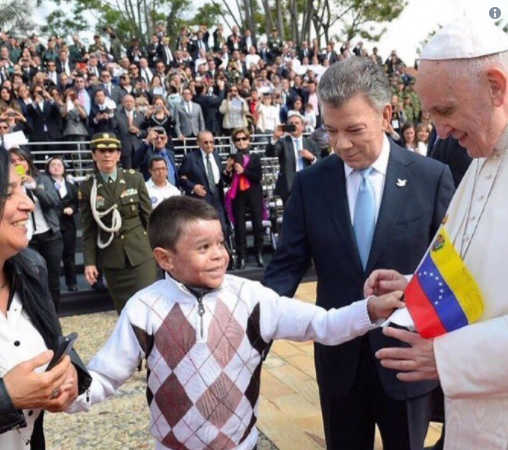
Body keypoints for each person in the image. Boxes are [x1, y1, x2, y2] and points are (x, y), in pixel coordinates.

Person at [67, 195, 406, 450]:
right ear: (165, 259)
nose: (219, 254)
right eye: (203, 247)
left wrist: (370, 310)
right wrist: (70, 392)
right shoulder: (145, 308)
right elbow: (106, 375)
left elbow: (323, 325)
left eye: (220, 243)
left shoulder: (251, 297)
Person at [262, 57, 455, 450]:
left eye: (354, 130)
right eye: (331, 131)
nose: (341, 144)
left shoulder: (430, 178)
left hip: (407, 360)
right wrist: (249, 328)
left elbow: (449, 270)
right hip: (339, 365)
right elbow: (285, 267)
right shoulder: (311, 183)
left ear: (385, 115)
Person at [368, 17, 508, 450]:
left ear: (496, 86)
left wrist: (446, 357)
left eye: (446, 111)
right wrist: (415, 287)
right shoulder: (481, 158)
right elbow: (474, 274)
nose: (440, 131)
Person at [0, 149, 91, 448]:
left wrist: (71, 375)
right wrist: (7, 398)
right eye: (9, 192)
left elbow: (55, 343)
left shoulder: (30, 268)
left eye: (23, 189)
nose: (27, 204)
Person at [79, 132, 158, 314]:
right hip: (112, 256)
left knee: (149, 305)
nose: (107, 155)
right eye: (102, 150)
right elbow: (89, 230)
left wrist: (158, 247)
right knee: (125, 311)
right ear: (94, 155)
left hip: (140, 253)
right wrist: (90, 262)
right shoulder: (87, 187)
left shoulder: (134, 178)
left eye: (111, 150)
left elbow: (149, 217)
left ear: (118, 155)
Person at [9, 148, 65, 312]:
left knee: (53, 280)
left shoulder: (43, 179)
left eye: (21, 160)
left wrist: (34, 187)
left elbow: (53, 202)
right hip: (27, 239)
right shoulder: (10, 186)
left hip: (50, 236)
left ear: (28, 161)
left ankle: (55, 317)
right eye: (13, 161)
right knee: (31, 279)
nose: (17, 163)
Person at [224, 128, 265, 269]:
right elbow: (226, 180)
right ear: (234, 142)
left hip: (254, 192)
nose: (241, 142)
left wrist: (244, 171)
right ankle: (242, 255)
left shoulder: (255, 157)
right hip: (238, 194)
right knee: (240, 226)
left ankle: (259, 253)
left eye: (243, 139)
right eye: (238, 139)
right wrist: (228, 170)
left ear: (248, 140)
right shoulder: (232, 157)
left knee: (257, 224)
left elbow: (258, 177)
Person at [178, 130, 228, 234]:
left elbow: (220, 177)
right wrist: (193, 187)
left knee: (222, 229)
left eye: (212, 142)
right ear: (198, 143)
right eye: (206, 142)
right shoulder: (190, 158)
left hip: (217, 200)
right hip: (199, 201)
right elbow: (181, 178)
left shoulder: (217, 156)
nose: (209, 145)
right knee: (204, 232)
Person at [265, 112, 320, 203]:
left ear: (302, 126)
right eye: (291, 124)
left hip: (308, 185)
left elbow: (319, 163)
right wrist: (275, 137)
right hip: (288, 186)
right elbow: (270, 153)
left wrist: (311, 157)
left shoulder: (311, 143)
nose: (294, 125)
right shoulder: (282, 142)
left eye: (297, 123)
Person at [46, 156, 79, 292]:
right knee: (53, 257)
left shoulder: (71, 185)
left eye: (59, 165)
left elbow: (76, 202)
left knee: (69, 254)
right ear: (48, 168)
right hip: (53, 225)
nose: (56, 167)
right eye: (53, 165)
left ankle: (72, 282)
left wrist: (72, 208)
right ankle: (52, 285)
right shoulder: (46, 184)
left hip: (69, 224)